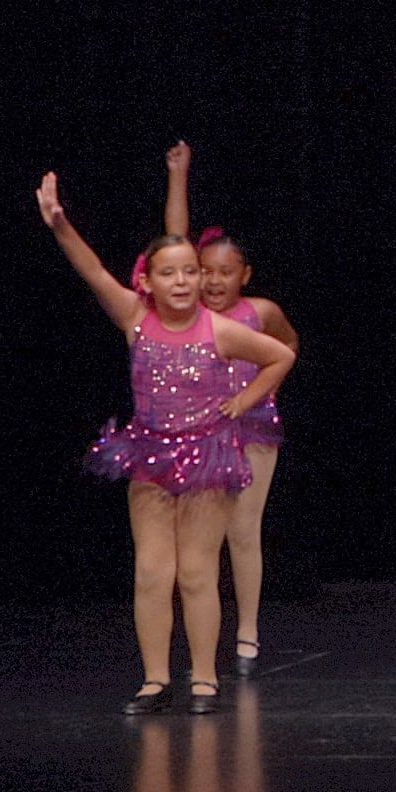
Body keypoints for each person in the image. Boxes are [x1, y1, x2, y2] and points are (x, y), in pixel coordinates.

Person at [39, 173, 292, 712]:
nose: (182, 282)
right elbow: (91, 270)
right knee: (154, 572)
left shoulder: (219, 330)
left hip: (207, 461)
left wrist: (244, 401)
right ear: (147, 281)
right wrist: (60, 225)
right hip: (151, 458)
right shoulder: (134, 318)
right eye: (169, 273)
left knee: (197, 573)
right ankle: (155, 679)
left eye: (190, 272)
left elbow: (280, 355)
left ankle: (204, 678)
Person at [162, 142, 300, 677]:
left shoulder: (260, 313)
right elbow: (175, 238)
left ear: (244, 274)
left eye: (226, 272)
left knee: (243, 529)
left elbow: (288, 347)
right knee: (200, 538)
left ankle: (247, 632)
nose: (214, 281)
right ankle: (201, 637)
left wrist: (263, 390)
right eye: (206, 271)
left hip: (253, 428)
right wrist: (179, 175)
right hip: (198, 430)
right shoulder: (193, 311)